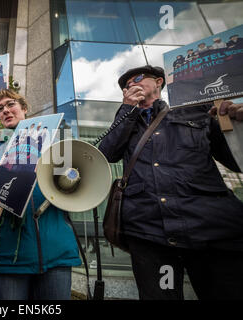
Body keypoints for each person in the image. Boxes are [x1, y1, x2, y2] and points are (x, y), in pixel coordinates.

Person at [99, 65, 243, 300]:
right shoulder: (127, 120)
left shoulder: (195, 111)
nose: (130, 85)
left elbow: (236, 160)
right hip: (150, 233)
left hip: (211, 231)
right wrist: (126, 110)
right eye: (125, 86)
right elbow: (106, 154)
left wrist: (238, 127)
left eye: (136, 78)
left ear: (158, 82)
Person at [0, 89, 81, 300]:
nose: (5, 110)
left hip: (56, 255)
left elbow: (73, 187)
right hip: (7, 260)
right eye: (0, 109)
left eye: (11, 104)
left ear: (24, 109)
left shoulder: (54, 147)